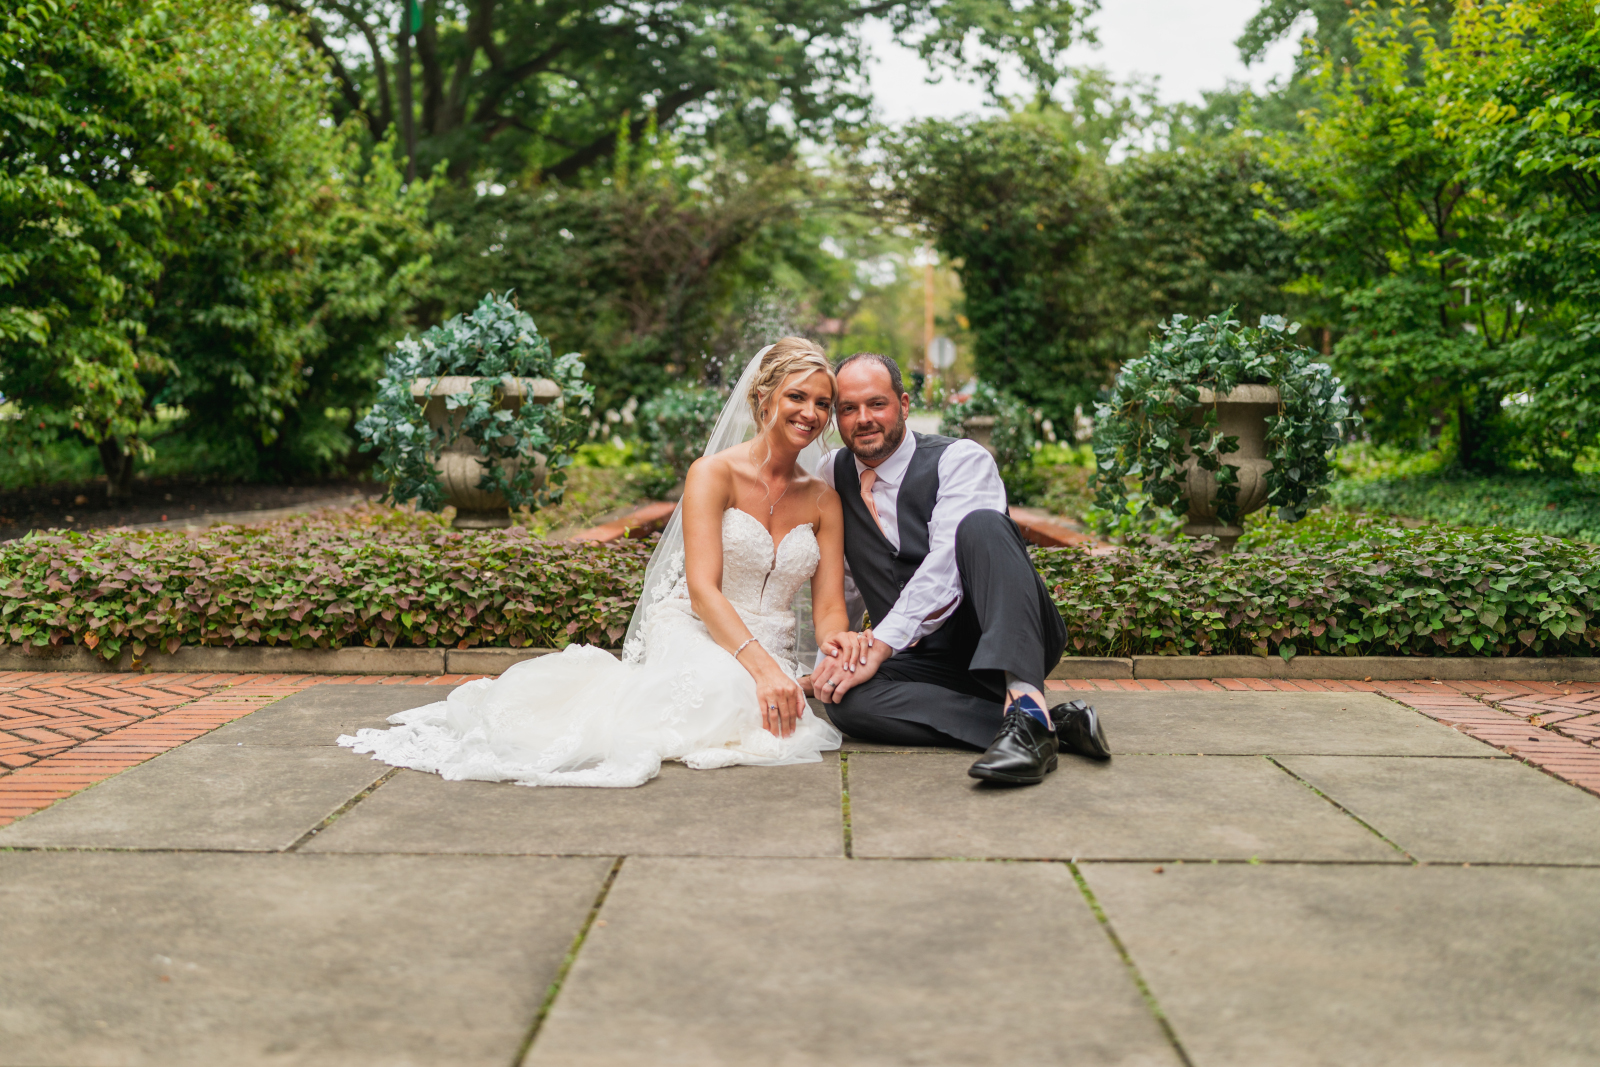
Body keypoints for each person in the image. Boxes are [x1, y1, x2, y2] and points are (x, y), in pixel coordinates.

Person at [337, 338, 860, 788]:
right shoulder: (713, 474)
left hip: (771, 641)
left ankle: (755, 682)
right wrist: (765, 670)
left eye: (822, 402)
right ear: (762, 396)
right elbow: (702, 590)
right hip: (700, 625)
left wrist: (836, 645)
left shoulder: (822, 499)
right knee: (723, 697)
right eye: (797, 396)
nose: (810, 414)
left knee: (771, 722)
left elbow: (831, 605)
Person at [807, 353, 1111, 785]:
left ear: (905, 404)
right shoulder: (832, 475)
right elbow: (846, 583)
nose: (863, 419)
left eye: (877, 404)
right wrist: (833, 660)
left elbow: (945, 565)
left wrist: (881, 643)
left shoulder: (961, 459)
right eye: (848, 408)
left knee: (982, 526)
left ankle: (1023, 696)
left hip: (997, 642)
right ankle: (1043, 724)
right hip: (921, 661)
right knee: (845, 700)